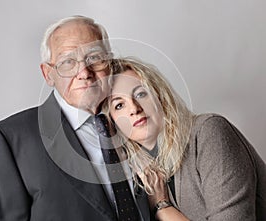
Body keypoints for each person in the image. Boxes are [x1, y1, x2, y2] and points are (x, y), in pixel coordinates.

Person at [0, 16, 152, 221]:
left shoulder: (137, 121)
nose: (84, 73)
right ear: (48, 74)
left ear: (110, 64)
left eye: (94, 58)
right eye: (68, 61)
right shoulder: (10, 140)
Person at [102, 57, 266, 221]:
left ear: (159, 96)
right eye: (119, 105)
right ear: (112, 122)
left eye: (140, 94)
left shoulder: (208, 132)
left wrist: (162, 206)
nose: (134, 108)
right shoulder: (135, 176)